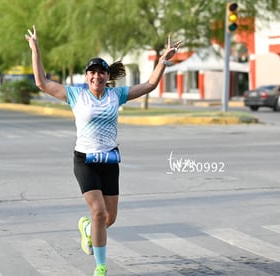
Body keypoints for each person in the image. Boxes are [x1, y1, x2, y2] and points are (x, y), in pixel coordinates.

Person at [25, 25, 181, 276]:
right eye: (92, 73)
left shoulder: (116, 95)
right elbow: (42, 82)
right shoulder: (76, 95)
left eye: (101, 73)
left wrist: (163, 59)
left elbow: (150, 84)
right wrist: (35, 48)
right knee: (98, 212)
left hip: (109, 161)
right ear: (86, 76)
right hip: (85, 161)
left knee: (109, 219)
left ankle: (86, 228)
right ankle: (101, 267)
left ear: (107, 76)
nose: (97, 76)